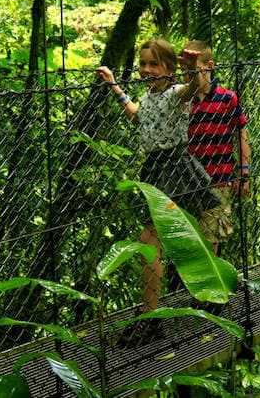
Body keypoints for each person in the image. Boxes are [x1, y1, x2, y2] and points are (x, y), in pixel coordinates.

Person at [97, 38, 220, 345]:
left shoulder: (174, 94)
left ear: (168, 67)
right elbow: (138, 115)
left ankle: (154, 315)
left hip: (174, 166)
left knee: (152, 240)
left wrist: (192, 70)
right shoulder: (150, 96)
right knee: (181, 232)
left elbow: (191, 88)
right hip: (155, 169)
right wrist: (115, 86)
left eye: (155, 64)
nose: (147, 70)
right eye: (143, 64)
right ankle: (202, 296)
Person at [180, 40, 251, 257]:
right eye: (184, 70)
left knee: (211, 242)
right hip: (187, 182)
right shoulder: (182, 101)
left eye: (194, 68)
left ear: (209, 66)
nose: (188, 74)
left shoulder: (228, 99)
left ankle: (210, 288)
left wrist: (244, 173)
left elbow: (241, 135)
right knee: (189, 244)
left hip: (218, 181)